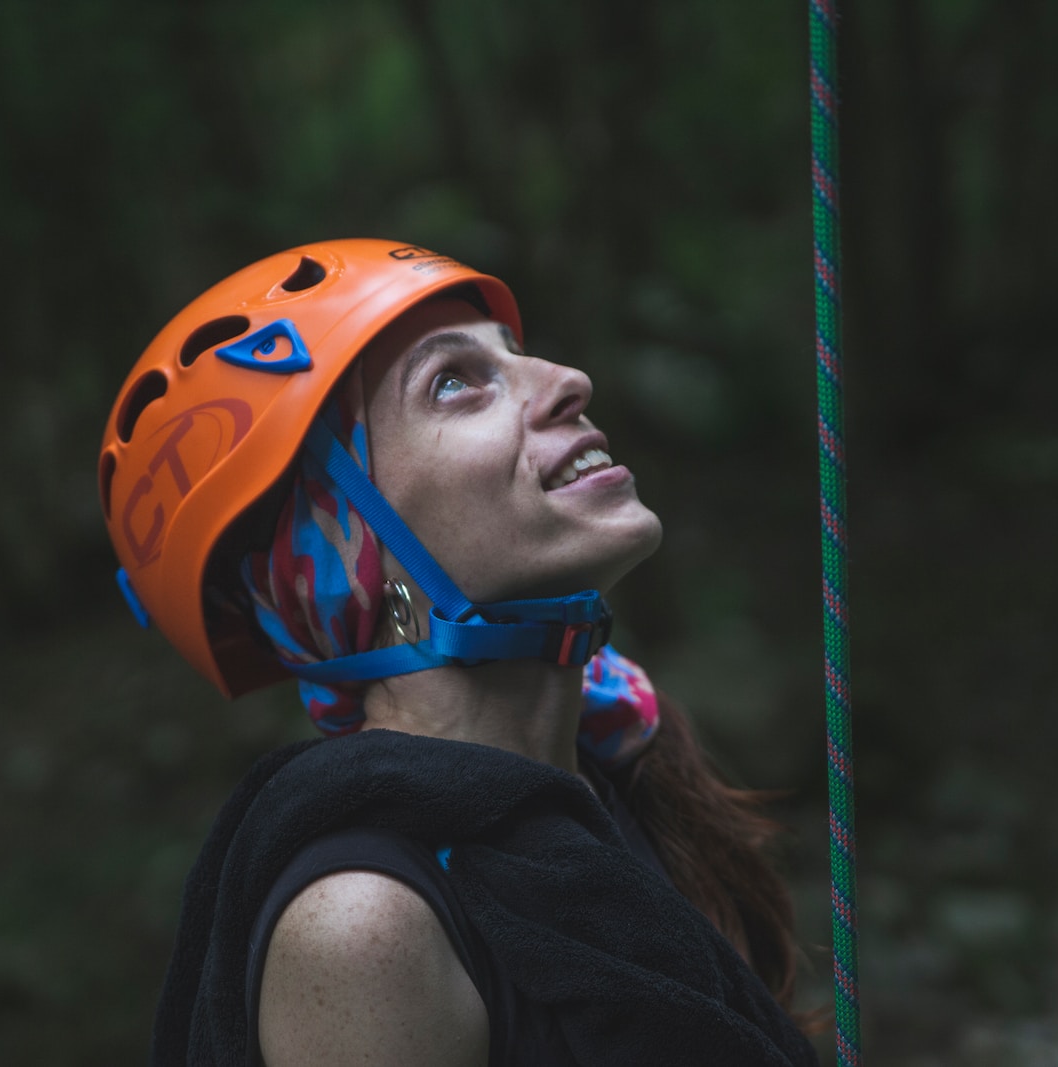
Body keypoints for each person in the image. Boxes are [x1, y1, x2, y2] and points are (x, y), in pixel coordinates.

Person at [98, 240, 819, 1066]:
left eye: (513, 354)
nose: (568, 379)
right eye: (453, 382)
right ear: (339, 556)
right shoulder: (366, 924)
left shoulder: (622, 772)